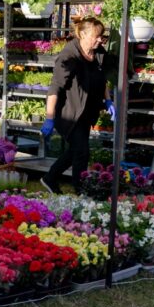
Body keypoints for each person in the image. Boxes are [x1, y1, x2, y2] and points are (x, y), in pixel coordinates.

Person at [40, 16, 114, 194]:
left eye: (101, 36)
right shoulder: (68, 56)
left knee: (75, 150)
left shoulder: (97, 53)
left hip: (87, 112)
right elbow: (55, 87)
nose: (99, 40)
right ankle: (81, 190)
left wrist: (108, 99)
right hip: (69, 113)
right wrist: (49, 118)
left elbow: (102, 79)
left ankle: (49, 178)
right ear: (82, 34)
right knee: (82, 152)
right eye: (96, 36)